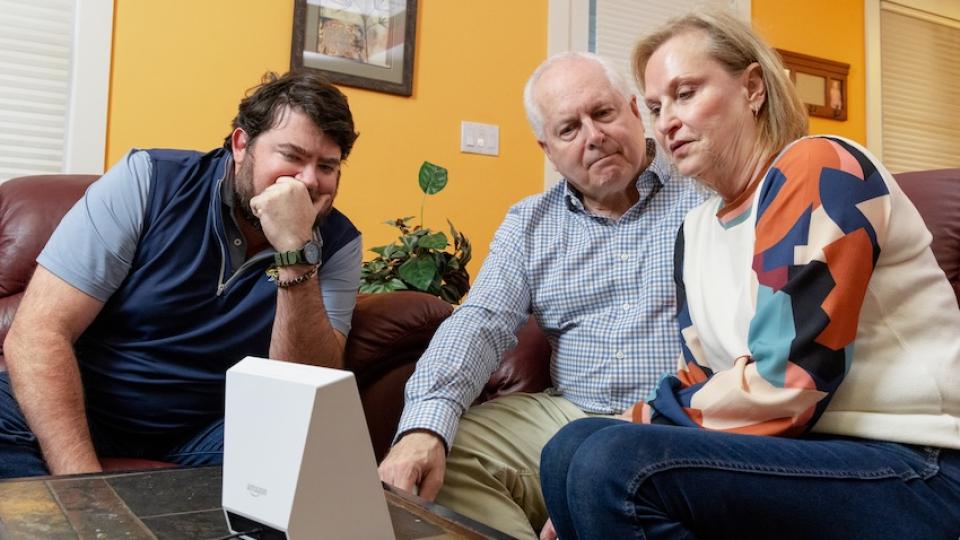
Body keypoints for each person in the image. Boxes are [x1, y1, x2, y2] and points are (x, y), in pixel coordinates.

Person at [540, 11, 960, 539]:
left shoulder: (820, 167)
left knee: (609, 462)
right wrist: (595, 454)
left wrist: (620, 443)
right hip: (809, 454)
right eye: (654, 107)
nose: (665, 121)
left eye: (686, 93)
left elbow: (790, 384)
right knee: (568, 449)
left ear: (753, 88)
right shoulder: (694, 231)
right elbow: (697, 377)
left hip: (920, 464)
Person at [378, 52, 708, 539]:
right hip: (569, 411)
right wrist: (424, 427)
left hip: (681, 410)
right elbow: (480, 321)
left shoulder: (703, 190)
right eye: (568, 129)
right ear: (547, 149)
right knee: (450, 451)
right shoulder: (530, 223)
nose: (593, 137)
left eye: (603, 113)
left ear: (636, 112)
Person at [0, 71, 363, 479]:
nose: (309, 181)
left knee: (311, 460)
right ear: (242, 145)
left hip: (206, 428)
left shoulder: (338, 242)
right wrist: (84, 492)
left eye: (327, 166)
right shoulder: (148, 181)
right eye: (293, 156)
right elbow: (38, 333)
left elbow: (305, 390)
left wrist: (295, 252)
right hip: (87, 403)